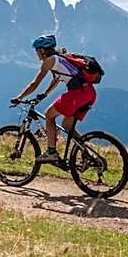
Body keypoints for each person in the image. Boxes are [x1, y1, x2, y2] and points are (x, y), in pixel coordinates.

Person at [12, 35, 97, 163]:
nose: (36, 53)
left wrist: (19, 97)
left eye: (36, 50)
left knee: (49, 115)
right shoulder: (60, 58)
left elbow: (34, 84)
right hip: (89, 93)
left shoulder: (49, 61)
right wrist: (45, 94)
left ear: (42, 50)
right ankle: (87, 155)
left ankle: (52, 152)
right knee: (67, 126)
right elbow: (56, 80)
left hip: (78, 94)